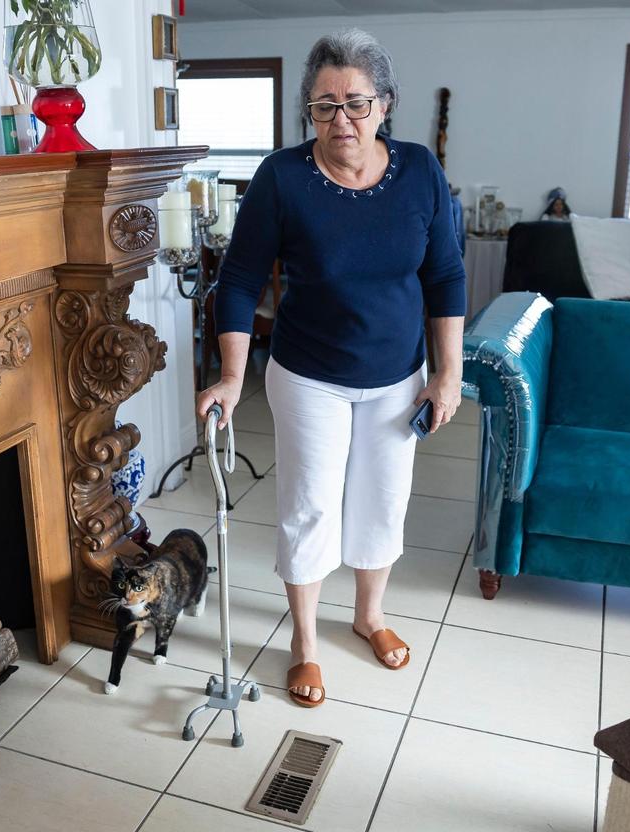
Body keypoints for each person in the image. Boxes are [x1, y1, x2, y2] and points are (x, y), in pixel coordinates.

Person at [196, 29, 466, 708]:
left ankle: (369, 616)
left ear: (384, 106)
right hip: (309, 372)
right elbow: (237, 281)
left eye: (355, 103)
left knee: (383, 500)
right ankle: (306, 642)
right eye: (323, 106)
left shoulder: (420, 173)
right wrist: (232, 375)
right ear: (307, 113)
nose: (340, 119)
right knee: (310, 506)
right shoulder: (282, 178)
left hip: (398, 376)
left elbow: (446, 276)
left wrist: (448, 373)